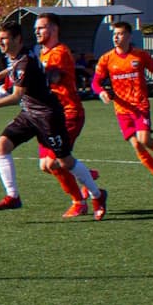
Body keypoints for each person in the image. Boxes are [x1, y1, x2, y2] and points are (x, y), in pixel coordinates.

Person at [0, 21, 107, 217]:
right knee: (1, 147)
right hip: (29, 114)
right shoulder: (21, 56)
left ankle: (97, 195)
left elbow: (16, 96)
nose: (0, 43)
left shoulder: (26, 63)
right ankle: (13, 197)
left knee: (64, 161)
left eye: (4, 39)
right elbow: (16, 68)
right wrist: (0, 75)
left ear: (17, 39)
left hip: (48, 116)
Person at [91, 21, 153, 186]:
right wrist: (102, 93)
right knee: (136, 144)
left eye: (120, 34)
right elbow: (95, 83)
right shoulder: (106, 59)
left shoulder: (139, 55)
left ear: (128, 36)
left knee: (144, 140)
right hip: (122, 109)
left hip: (140, 106)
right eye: (114, 34)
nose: (116, 37)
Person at [33, 12, 107, 218]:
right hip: (47, 116)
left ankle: (81, 201)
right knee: (46, 166)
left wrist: (33, 76)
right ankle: (82, 174)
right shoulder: (42, 53)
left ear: (54, 29)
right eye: (36, 28)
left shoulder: (60, 51)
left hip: (68, 113)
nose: (37, 31)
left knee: (54, 162)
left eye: (42, 27)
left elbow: (54, 77)